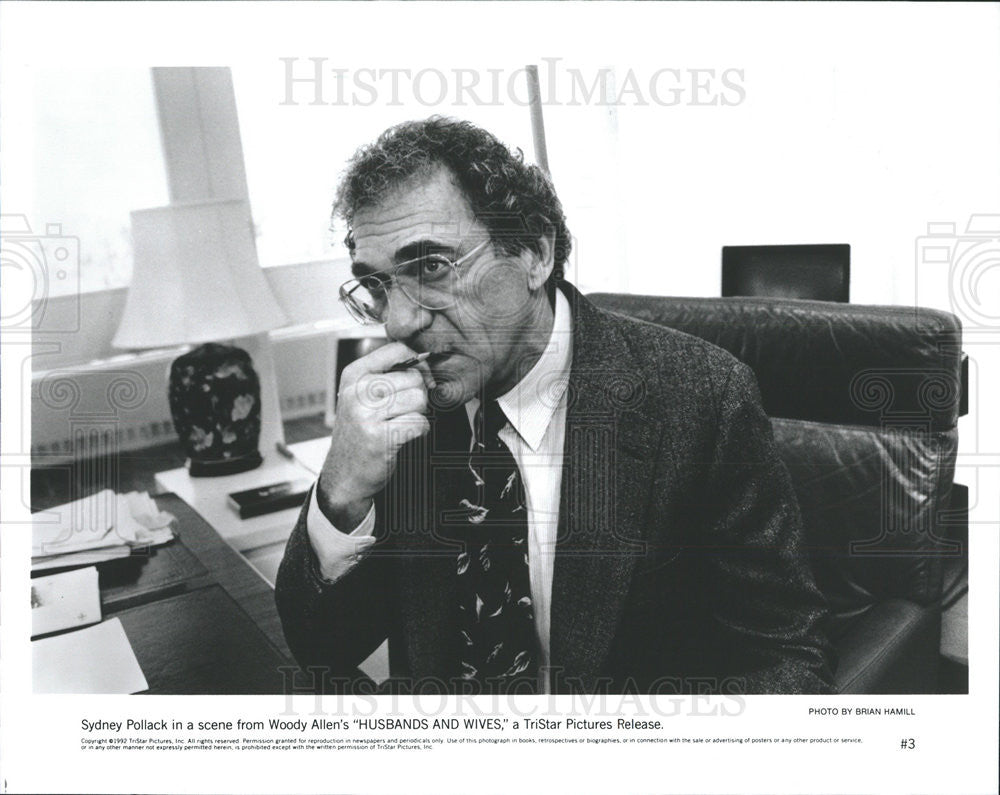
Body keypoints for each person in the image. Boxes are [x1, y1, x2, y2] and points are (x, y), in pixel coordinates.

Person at [275, 117, 835, 695]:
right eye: (377, 285)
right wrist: (341, 490)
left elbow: (790, 663)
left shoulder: (701, 398)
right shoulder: (403, 416)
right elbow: (323, 648)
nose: (399, 321)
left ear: (534, 253)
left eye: (433, 268)